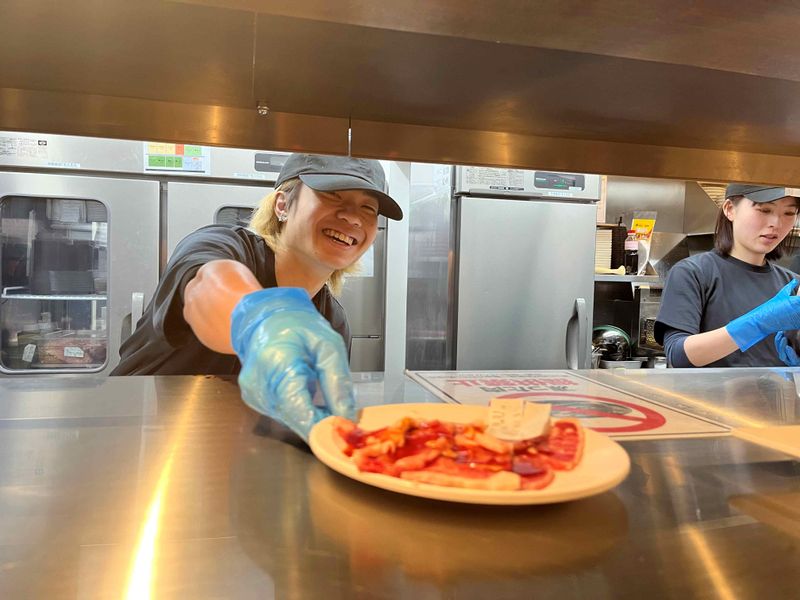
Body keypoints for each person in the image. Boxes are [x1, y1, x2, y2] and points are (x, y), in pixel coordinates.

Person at [112, 153, 403, 438]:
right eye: (333, 195)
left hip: (235, 455)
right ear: (282, 205)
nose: (352, 217)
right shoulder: (224, 245)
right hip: (131, 436)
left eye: (368, 208)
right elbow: (208, 285)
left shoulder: (332, 322)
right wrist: (262, 324)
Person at [655, 184, 800, 368]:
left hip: (778, 388)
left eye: (789, 213)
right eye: (764, 210)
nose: (776, 223)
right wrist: (759, 323)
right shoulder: (693, 273)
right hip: (709, 389)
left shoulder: (793, 285)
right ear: (730, 209)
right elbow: (678, 356)